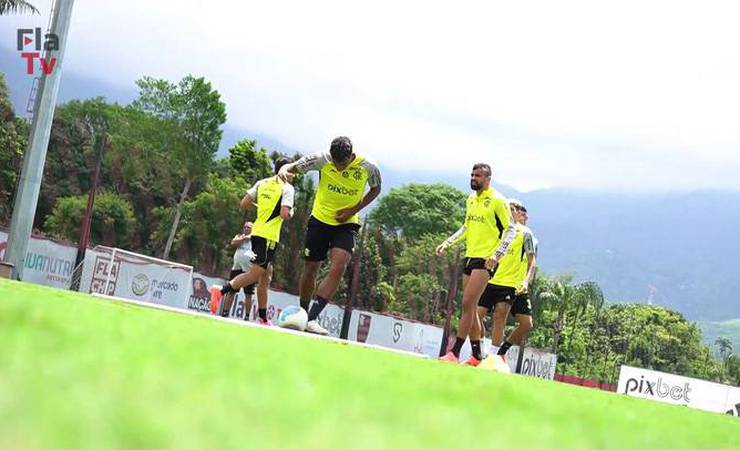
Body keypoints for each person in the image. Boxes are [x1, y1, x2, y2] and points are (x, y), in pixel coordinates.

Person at [277, 136, 381, 334]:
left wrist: (352, 210)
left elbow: (376, 189)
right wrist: (284, 170)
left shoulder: (369, 166)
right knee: (311, 268)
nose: (338, 167)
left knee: (339, 265)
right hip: (320, 219)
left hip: (346, 223)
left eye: (341, 163)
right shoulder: (321, 158)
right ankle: (303, 314)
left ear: (351, 156)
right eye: (334, 162)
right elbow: (291, 167)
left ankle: (313, 317)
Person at [435, 163, 516, 363]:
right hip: (470, 256)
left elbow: (511, 230)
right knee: (470, 308)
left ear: (488, 178)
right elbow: (466, 227)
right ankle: (477, 355)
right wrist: (447, 243)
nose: (473, 178)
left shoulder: (498, 201)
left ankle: (454, 352)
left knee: (467, 303)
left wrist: (497, 254)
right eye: (472, 174)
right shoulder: (471, 199)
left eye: (478, 175)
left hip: (486, 260)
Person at [209, 157, 295, 325]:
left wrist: (262, 208)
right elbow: (285, 214)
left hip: (257, 233)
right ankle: (220, 290)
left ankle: (263, 318)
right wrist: (292, 213)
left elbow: (245, 203)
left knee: (266, 276)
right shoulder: (288, 188)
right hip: (269, 237)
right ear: (287, 170)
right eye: (293, 170)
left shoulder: (262, 182)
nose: (294, 174)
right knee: (256, 274)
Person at [474, 199, 537, 370]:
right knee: (475, 315)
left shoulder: (526, 234)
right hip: (489, 280)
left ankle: (496, 354)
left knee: (501, 316)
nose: (508, 212)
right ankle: (480, 353)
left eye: (512, 209)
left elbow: (532, 262)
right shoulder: (496, 230)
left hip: (511, 284)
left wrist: (525, 281)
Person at [216, 221, 273, 321]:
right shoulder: (240, 236)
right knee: (232, 291)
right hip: (237, 267)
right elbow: (233, 242)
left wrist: (250, 236)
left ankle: (247, 316)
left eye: (249, 227)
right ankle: (225, 312)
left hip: (249, 269)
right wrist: (244, 238)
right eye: (245, 227)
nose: (246, 229)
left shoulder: (256, 238)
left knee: (248, 294)